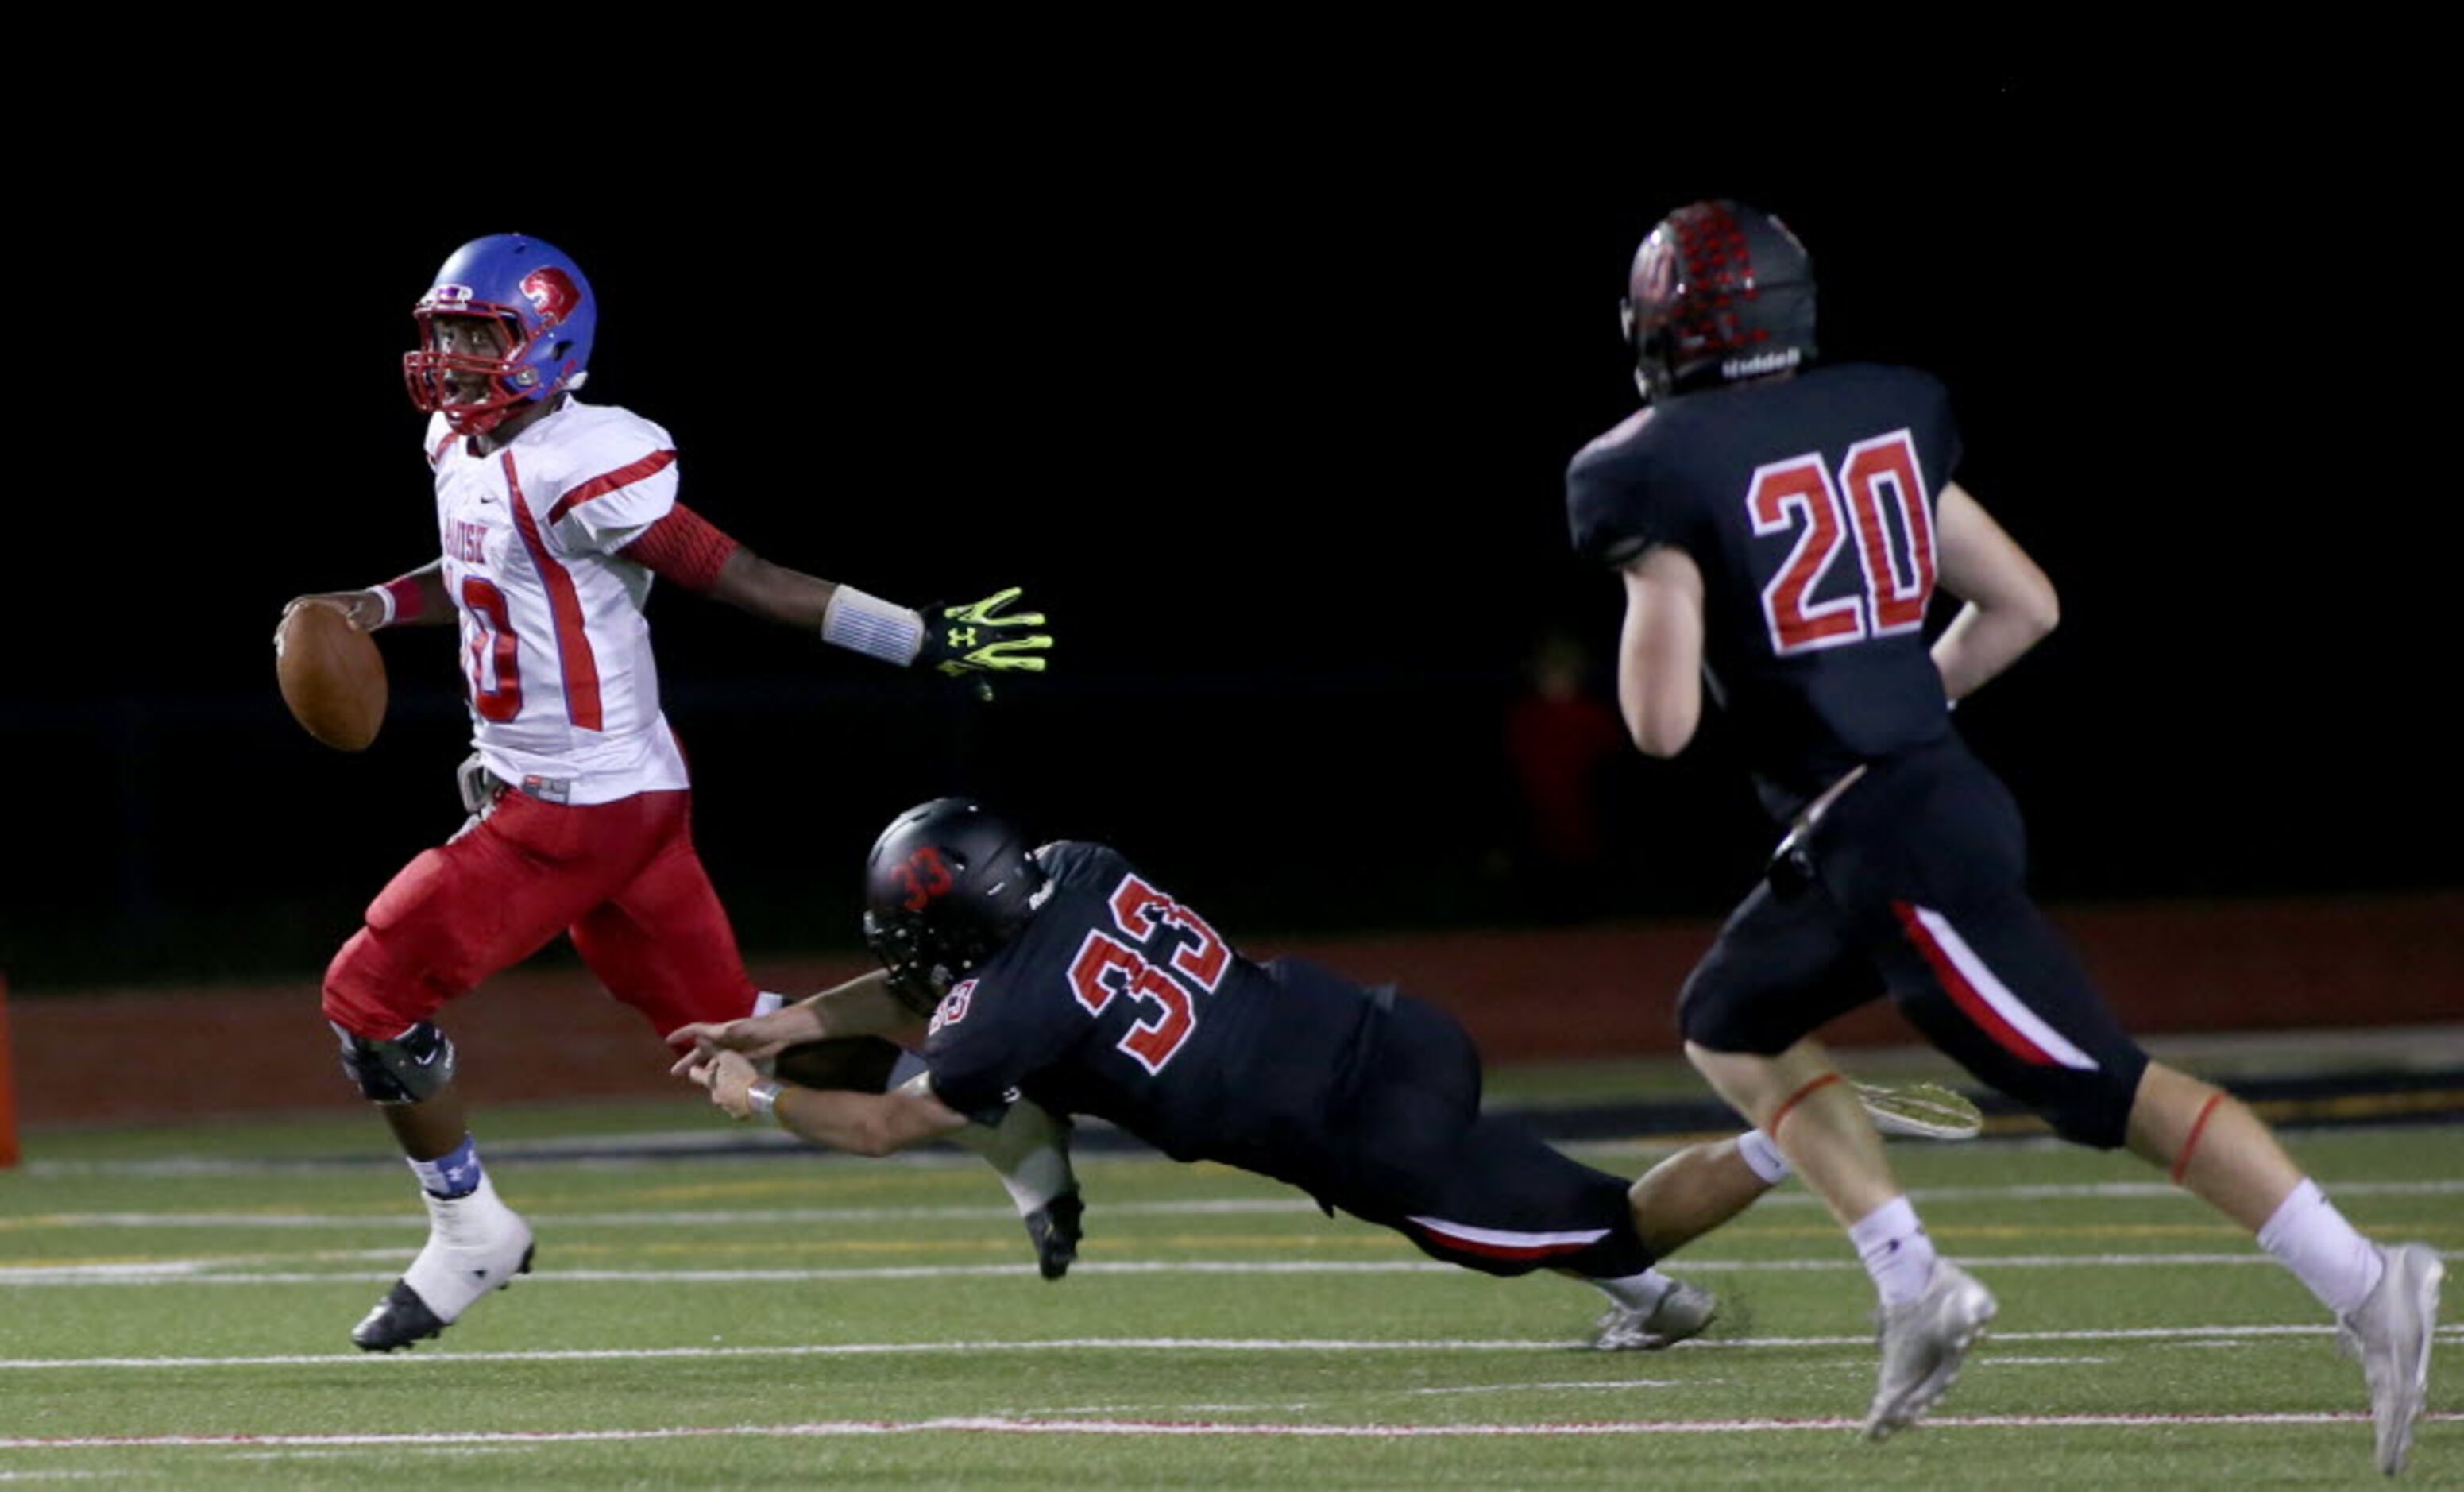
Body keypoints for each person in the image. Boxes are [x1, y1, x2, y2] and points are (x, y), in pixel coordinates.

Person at [1566, 199, 2442, 1466]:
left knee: (2102, 1088)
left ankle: (2369, 1279)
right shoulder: (1885, 407)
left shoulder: (1640, 465)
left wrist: (1678, 598)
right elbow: (2020, 604)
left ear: (1668, 329)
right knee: (1729, 1016)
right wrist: (1894, 705)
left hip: (1898, 841)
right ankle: (1912, 1283)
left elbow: (1654, 726)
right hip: (1881, 814)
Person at [280, 233, 1078, 1353]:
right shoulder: (457, 449)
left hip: (575, 810)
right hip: (621, 794)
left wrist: (916, 636)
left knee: (367, 993)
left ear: (549, 344)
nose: (453, 357)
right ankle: (1004, 1121)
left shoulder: (585, 459)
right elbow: (478, 579)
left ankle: (469, 1230)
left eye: (482, 334)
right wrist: (371, 605)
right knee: (730, 1034)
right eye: (445, 333)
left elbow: (738, 574)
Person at [669, 798, 1987, 1349]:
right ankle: (1656, 1305)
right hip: (1386, 1029)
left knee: (1581, 1216)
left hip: (1364, 1127)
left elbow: (891, 1122)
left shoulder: (997, 1015)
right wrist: (771, 1029)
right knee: (1526, 1202)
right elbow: (941, 989)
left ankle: (1793, 1131)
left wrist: (764, 1096)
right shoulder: (1073, 869)